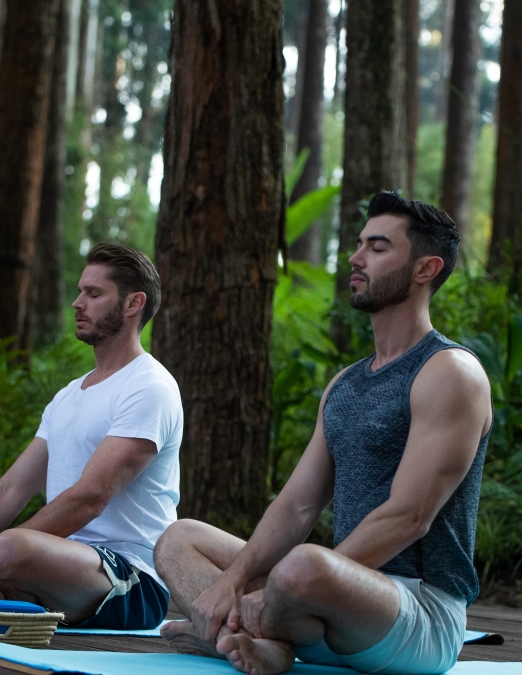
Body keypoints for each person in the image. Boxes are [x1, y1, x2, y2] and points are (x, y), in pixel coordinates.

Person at [155, 192, 492, 675]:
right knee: (178, 539)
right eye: (359, 245)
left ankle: (241, 633)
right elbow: (297, 505)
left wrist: (277, 588)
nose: (356, 258)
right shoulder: (347, 383)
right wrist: (235, 579)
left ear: (425, 269)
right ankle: (264, 640)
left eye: (377, 248)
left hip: (419, 612)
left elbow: (410, 516)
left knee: (304, 566)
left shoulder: (450, 372)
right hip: (329, 598)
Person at [0, 244, 182, 630]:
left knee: (7, 551)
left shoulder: (149, 388)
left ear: (134, 303)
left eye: (94, 294)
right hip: (55, 558)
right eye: (80, 291)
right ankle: (3, 594)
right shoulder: (69, 395)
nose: (77, 303)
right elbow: (11, 489)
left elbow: (90, 498)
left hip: (130, 580)